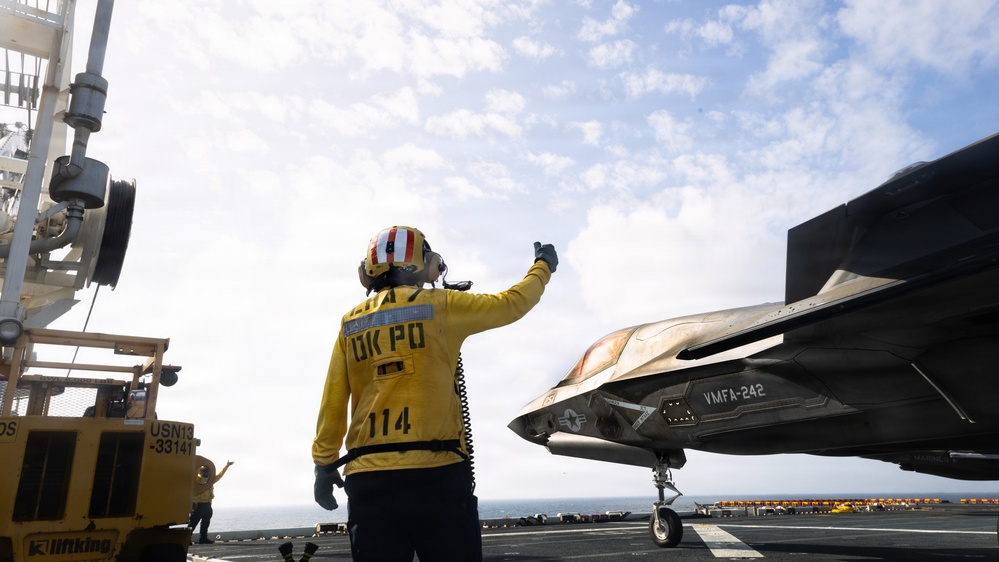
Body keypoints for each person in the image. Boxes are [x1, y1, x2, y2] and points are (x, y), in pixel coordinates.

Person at [313, 225, 557, 562]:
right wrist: (542, 267)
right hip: (436, 475)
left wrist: (324, 465)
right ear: (420, 263)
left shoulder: (350, 324)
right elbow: (513, 303)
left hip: (368, 480)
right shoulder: (442, 305)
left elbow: (333, 399)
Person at [189, 459, 234, 544]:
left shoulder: (210, 481)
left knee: (205, 523)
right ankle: (187, 539)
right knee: (193, 523)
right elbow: (194, 472)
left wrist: (226, 466)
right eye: (204, 471)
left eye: (207, 472)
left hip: (207, 504)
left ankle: (203, 538)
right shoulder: (196, 480)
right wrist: (198, 465)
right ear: (200, 472)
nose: (206, 473)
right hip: (198, 504)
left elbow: (220, 475)